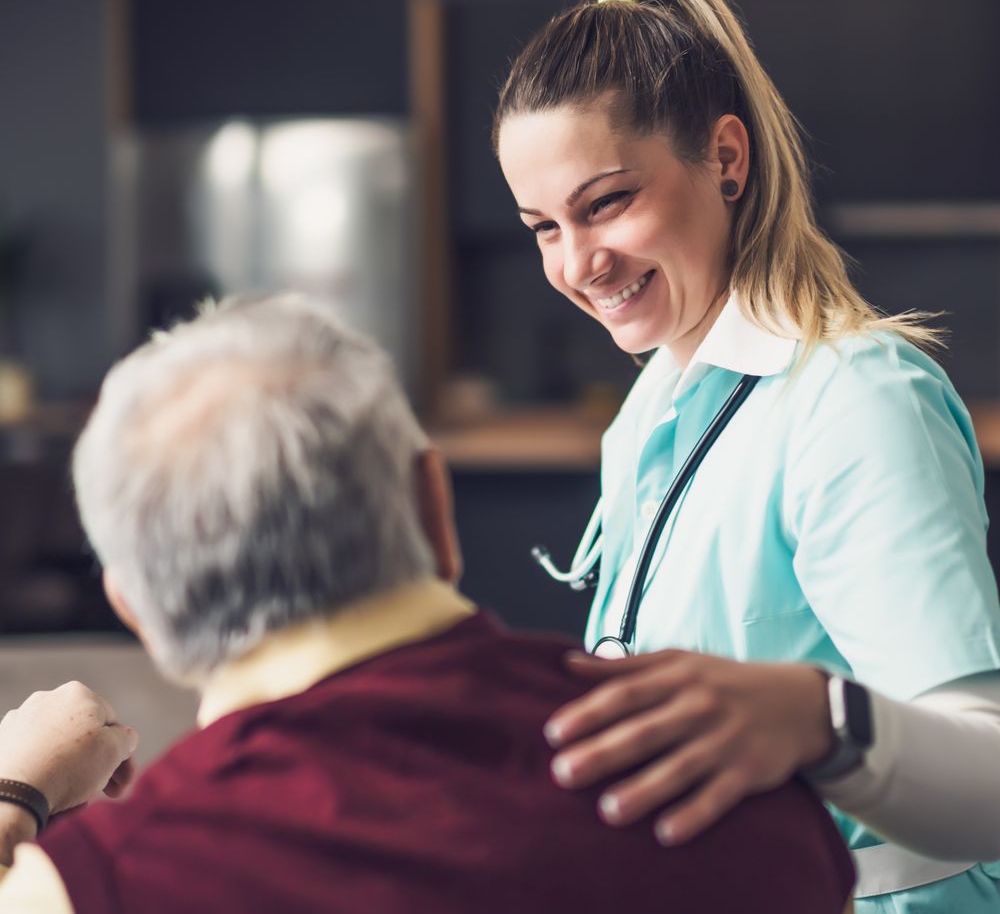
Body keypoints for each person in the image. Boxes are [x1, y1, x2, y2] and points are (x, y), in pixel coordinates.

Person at [0, 294, 855, 913]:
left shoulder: (108, 881)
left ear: (134, 606)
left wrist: (14, 793)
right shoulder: (733, 781)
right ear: (434, 505)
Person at [493, 0, 1000, 914]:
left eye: (607, 203)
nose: (576, 262)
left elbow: (988, 785)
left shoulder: (855, 404)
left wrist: (818, 720)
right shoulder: (655, 403)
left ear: (726, 157)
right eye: (545, 228)